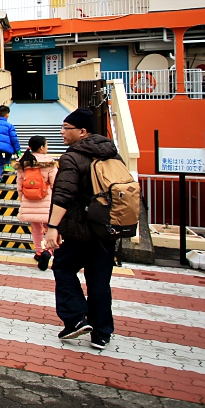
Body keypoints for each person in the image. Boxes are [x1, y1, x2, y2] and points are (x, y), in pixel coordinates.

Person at [42, 108, 120, 350]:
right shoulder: (112, 155)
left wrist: (53, 226)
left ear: (82, 131)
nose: (62, 132)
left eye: (66, 128)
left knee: (64, 267)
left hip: (79, 229)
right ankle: (102, 333)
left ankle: (76, 318)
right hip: (106, 230)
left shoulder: (72, 157)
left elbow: (63, 195)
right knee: (99, 281)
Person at [16, 136, 57, 271]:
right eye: (46, 145)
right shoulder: (49, 162)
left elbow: (20, 184)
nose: (47, 147)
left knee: (36, 228)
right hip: (47, 199)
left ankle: (39, 252)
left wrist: (22, 199)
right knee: (50, 227)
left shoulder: (24, 162)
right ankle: (49, 251)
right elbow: (55, 183)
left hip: (29, 199)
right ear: (41, 147)